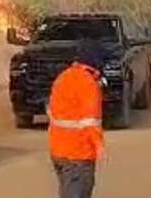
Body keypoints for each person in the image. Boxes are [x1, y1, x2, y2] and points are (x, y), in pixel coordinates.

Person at [48, 39, 106, 198]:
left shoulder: (63, 77)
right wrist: (99, 147)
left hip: (58, 151)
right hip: (79, 153)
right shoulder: (88, 83)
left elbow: (52, 112)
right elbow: (91, 121)